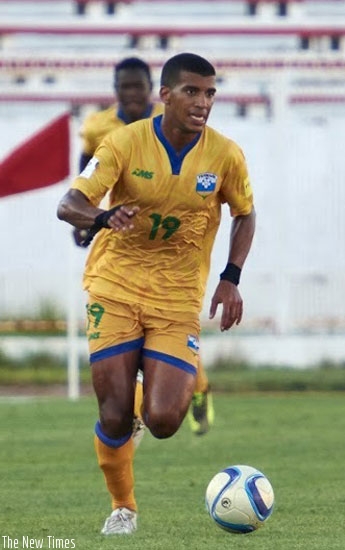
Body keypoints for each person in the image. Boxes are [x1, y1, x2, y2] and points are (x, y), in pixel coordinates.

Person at [56, 52, 256, 535]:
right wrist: (103, 217)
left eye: (210, 93)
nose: (202, 102)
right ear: (164, 95)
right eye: (191, 91)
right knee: (113, 414)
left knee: (164, 419)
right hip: (116, 284)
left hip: (177, 294)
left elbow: (245, 214)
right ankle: (123, 507)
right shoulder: (122, 142)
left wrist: (231, 277)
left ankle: (145, 402)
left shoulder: (225, 154)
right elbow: (69, 204)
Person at [76, 56, 215, 437]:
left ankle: (198, 391)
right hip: (122, 245)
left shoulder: (172, 121)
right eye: (126, 87)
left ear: (155, 89)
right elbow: (86, 170)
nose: (133, 94)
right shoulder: (99, 127)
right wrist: (90, 217)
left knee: (172, 338)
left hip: (171, 263)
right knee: (125, 386)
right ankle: (140, 402)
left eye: (140, 86)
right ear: (116, 89)